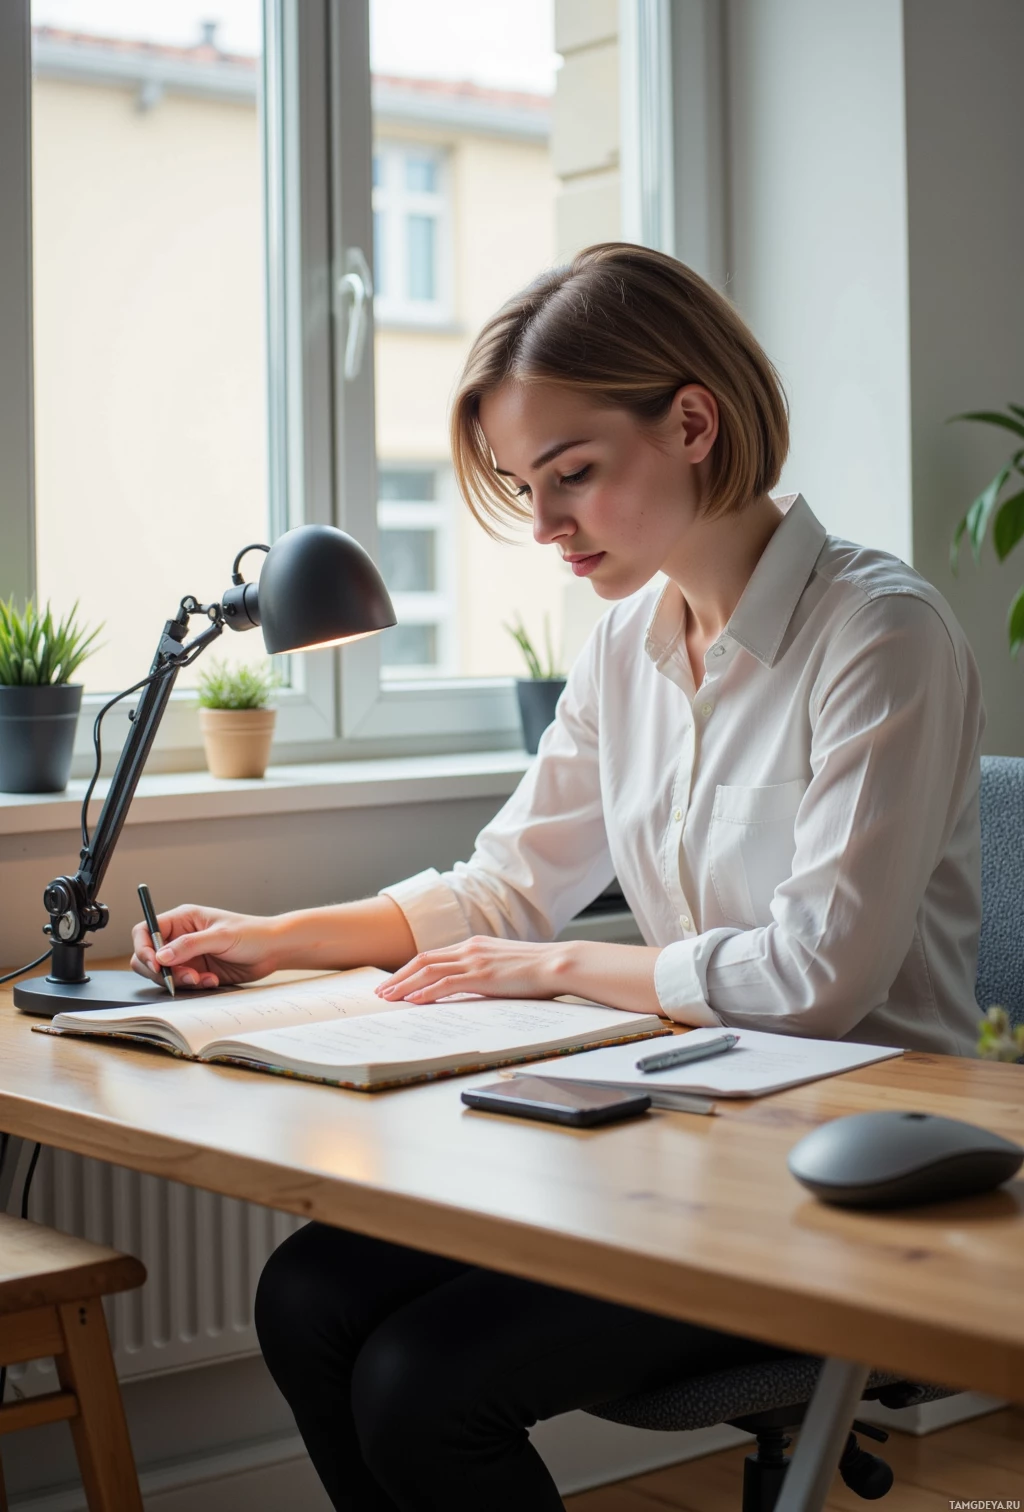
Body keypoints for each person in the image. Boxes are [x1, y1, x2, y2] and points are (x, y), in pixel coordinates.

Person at [132, 244, 985, 1512]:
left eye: (572, 475)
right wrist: (274, 937)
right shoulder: (625, 649)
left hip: (835, 1174)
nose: (542, 526)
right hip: (670, 1139)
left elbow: (815, 978)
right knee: (304, 1295)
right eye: (526, 488)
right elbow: (501, 889)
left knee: (425, 1386)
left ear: (692, 422)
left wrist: (556, 965)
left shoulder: (880, 633)